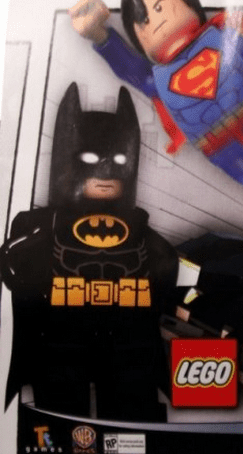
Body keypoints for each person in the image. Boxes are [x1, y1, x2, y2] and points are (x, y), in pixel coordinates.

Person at [1, 83, 179, 421]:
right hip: (62, 342)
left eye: (118, 162)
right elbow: (11, 264)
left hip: (125, 344)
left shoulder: (140, 229)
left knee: (131, 410)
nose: (105, 174)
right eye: (90, 161)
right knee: (59, 411)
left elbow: (167, 263)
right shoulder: (44, 224)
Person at [70, 0, 243, 192]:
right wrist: (100, 36)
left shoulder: (219, 35)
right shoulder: (158, 77)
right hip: (214, 141)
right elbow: (130, 68)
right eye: (144, 21)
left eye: (159, 7)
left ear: (188, 3)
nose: (154, 21)